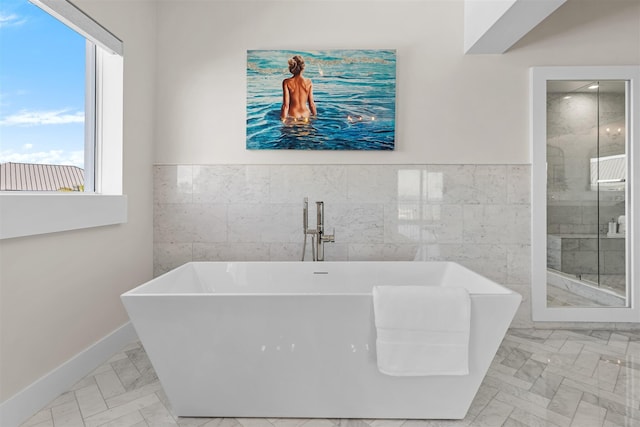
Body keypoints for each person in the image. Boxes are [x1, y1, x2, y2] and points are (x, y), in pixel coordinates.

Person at [280, 55, 317, 122]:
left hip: (293, 115)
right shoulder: (308, 82)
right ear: (303, 68)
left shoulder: (287, 82)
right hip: (306, 115)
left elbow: (285, 105)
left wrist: (283, 119)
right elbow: (311, 104)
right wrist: (315, 116)